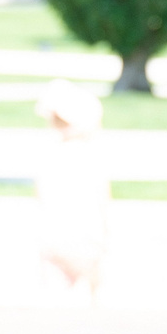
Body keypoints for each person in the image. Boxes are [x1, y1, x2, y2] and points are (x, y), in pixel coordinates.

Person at [34, 81, 110, 298]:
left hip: (56, 234)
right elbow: (102, 198)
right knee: (92, 289)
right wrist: (106, 232)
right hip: (87, 234)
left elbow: (41, 196)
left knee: (56, 295)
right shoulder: (92, 155)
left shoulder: (51, 154)